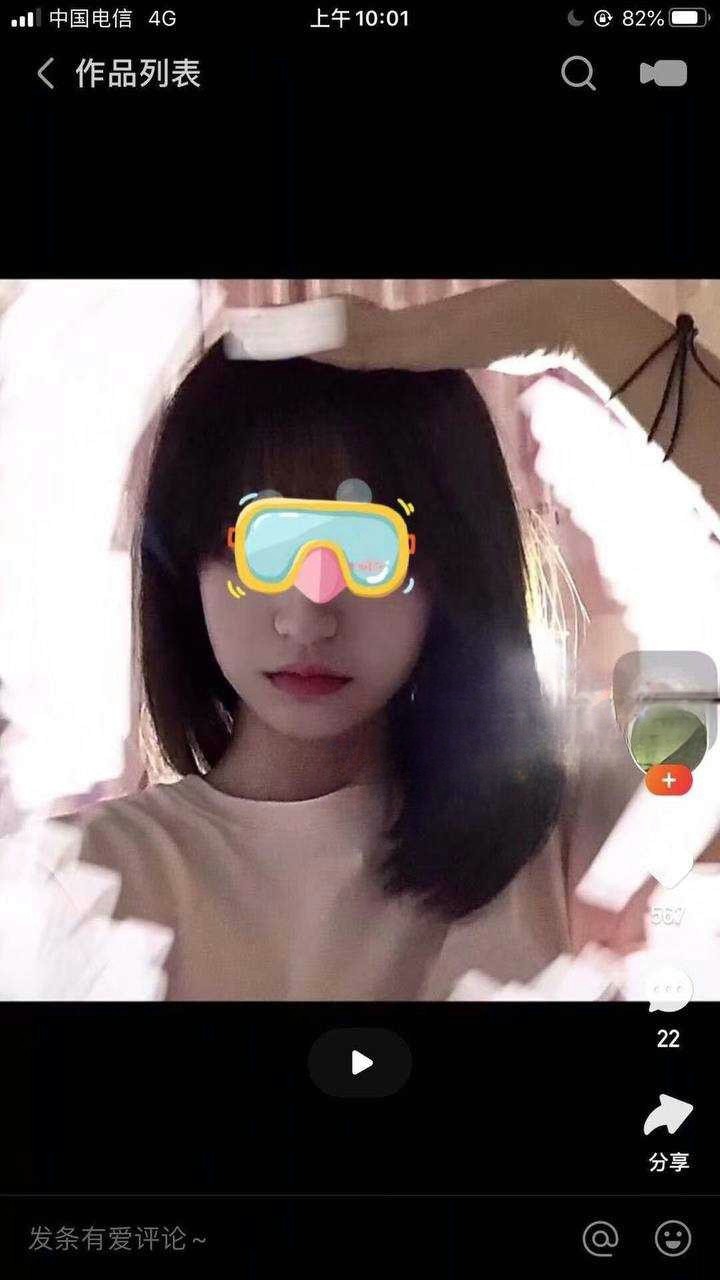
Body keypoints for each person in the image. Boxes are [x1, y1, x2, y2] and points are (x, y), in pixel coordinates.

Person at [77, 281, 720, 999]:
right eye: (268, 544)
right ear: (188, 562)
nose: (309, 616)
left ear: (449, 565)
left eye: (369, 549)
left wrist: (576, 320)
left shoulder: (580, 824)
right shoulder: (84, 875)